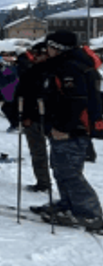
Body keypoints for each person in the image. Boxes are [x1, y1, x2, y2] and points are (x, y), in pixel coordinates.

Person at [32, 31, 103, 230]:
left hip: (72, 129)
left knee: (70, 172)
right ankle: (68, 203)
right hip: (64, 127)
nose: (47, 51)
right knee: (60, 168)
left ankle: (90, 213)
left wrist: (64, 128)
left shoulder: (71, 67)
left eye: (50, 47)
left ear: (59, 48)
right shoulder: (64, 64)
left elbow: (76, 102)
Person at [14, 41, 52, 193]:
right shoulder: (37, 70)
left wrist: (25, 115)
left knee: (40, 152)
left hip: (40, 116)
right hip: (41, 115)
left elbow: (26, 94)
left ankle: (45, 182)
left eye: (36, 54)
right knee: (39, 152)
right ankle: (43, 181)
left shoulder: (37, 71)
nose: (34, 57)